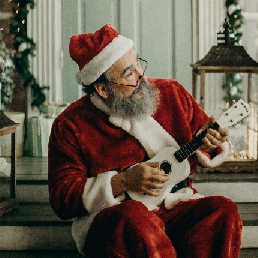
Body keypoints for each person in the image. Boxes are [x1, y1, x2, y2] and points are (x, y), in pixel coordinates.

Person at [48, 24, 242, 258]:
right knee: (133, 218)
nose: (142, 76)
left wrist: (211, 142)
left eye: (138, 63)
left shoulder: (172, 93)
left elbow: (206, 143)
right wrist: (123, 181)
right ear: (102, 89)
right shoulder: (70, 124)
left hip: (175, 204)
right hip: (116, 218)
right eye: (129, 73)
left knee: (223, 210)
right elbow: (62, 198)